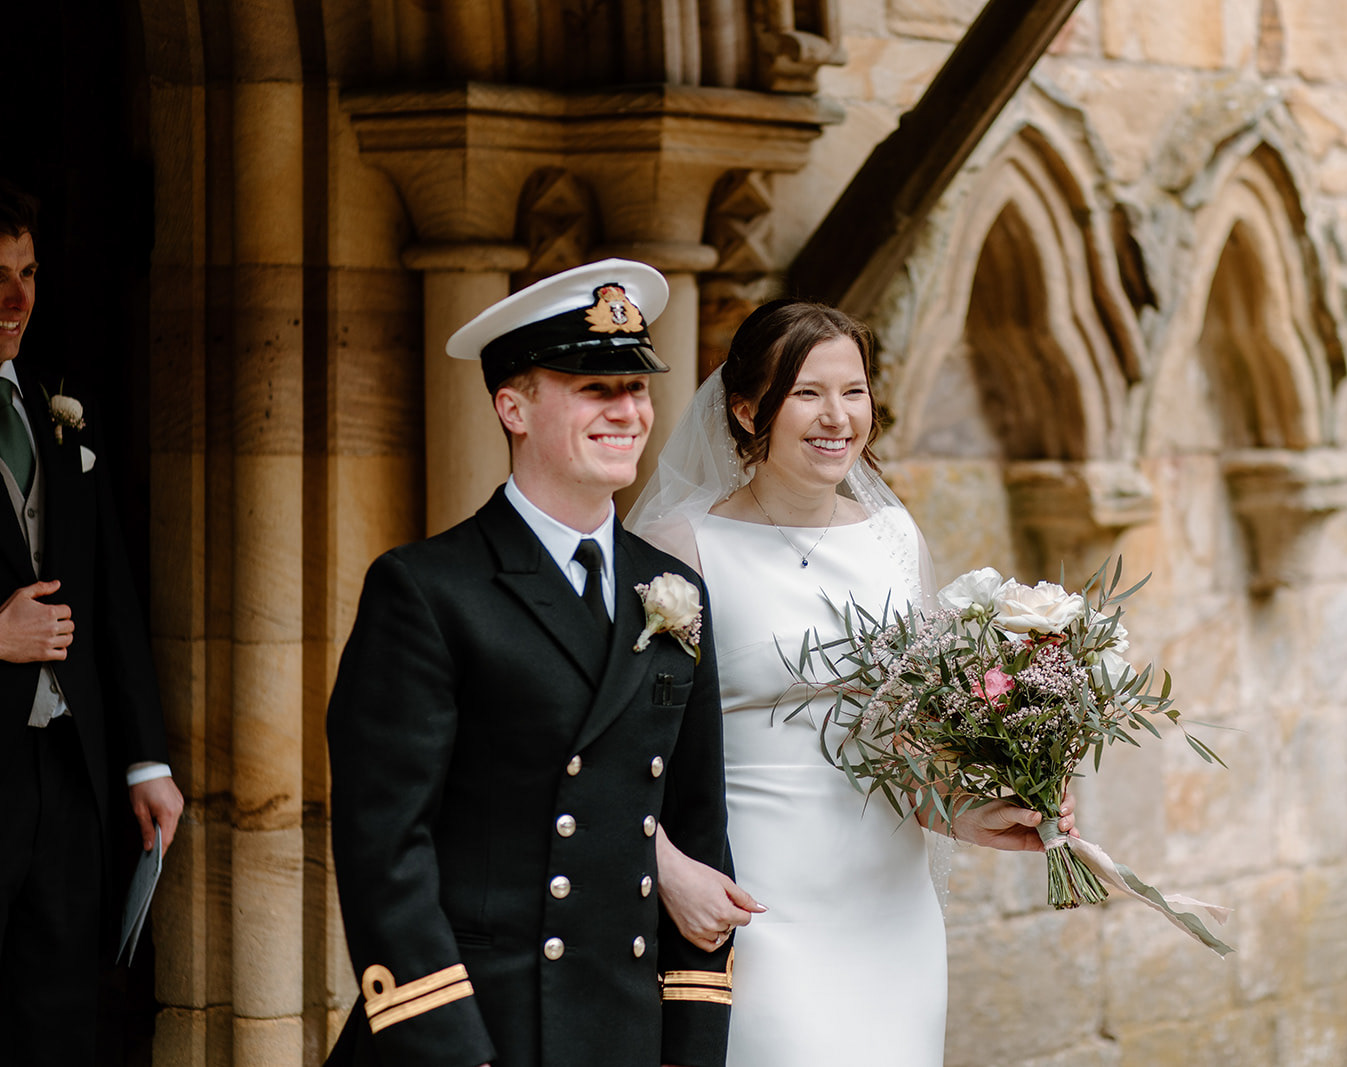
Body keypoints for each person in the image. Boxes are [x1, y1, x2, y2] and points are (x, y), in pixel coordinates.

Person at [628, 300, 1076, 1066]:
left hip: (890, 907)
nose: (837, 416)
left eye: (854, 391)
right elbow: (624, 748)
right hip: (753, 899)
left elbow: (908, 742)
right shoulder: (682, 547)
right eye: (807, 392)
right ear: (747, 410)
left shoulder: (893, 538)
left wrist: (975, 812)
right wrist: (667, 868)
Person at [325, 259, 736, 1067]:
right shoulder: (427, 589)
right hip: (479, 1028)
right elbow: (385, 850)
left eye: (637, 388)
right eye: (593, 388)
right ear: (512, 406)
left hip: (623, 1032)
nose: (627, 411)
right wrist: (453, 1051)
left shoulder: (673, 590)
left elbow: (699, 831)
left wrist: (689, 1047)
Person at [0, 180, 184, 1063]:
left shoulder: (59, 409)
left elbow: (110, 590)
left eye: (29, 274)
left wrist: (146, 758)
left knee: (59, 1025)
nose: (16, 301)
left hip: (70, 775)